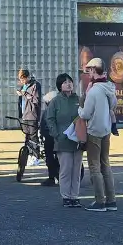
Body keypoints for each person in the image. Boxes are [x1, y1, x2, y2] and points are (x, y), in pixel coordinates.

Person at [78, 57, 118, 212]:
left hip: (94, 130)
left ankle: (100, 201)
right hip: (107, 130)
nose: (88, 74)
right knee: (105, 164)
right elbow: (113, 106)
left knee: (94, 167)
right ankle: (111, 200)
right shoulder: (110, 87)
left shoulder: (94, 90)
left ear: (94, 70)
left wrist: (79, 110)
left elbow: (86, 114)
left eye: (89, 70)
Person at [45, 73, 86, 207]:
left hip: (77, 140)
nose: (68, 84)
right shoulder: (55, 101)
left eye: (70, 82)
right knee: (66, 169)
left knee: (76, 169)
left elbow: (84, 116)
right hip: (62, 140)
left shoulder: (78, 99)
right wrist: (56, 134)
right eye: (65, 82)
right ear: (60, 86)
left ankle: (75, 196)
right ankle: (66, 196)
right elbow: (49, 119)